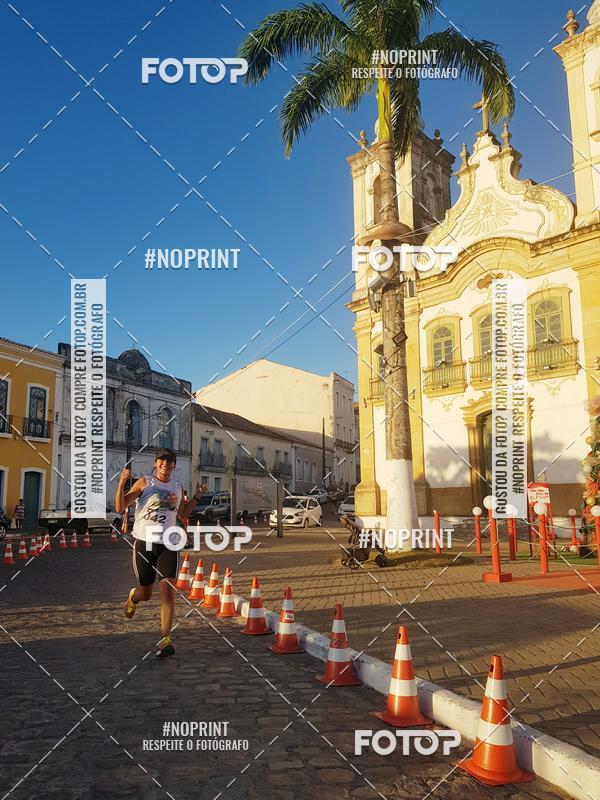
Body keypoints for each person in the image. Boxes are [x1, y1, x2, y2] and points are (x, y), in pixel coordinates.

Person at [115, 448, 207, 658]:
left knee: (168, 589)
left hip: (169, 543)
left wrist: (197, 497)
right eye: (162, 461)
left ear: (174, 466)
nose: (166, 464)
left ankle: (165, 639)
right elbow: (121, 506)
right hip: (145, 543)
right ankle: (133, 598)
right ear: (156, 463)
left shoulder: (177, 486)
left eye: (170, 461)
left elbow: (182, 514)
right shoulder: (145, 482)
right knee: (146, 593)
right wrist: (121, 483)